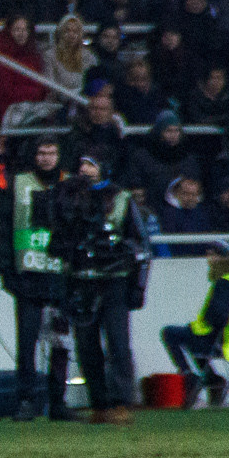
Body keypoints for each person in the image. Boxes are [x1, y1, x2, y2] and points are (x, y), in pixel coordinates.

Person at [53, 152, 151, 424]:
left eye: (91, 164)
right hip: (81, 279)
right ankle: (99, 403)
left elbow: (140, 244)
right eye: (82, 163)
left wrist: (138, 285)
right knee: (86, 345)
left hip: (114, 281)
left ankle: (121, 402)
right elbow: (59, 239)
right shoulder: (67, 197)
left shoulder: (121, 199)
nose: (85, 169)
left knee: (118, 343)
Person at [0, 136, 75, 422]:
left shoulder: (71, 183)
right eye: (41, 152)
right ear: (34, 156)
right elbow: (3, 230)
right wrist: (5, 270)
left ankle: (58, 402)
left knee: (61, 343)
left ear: (59, 156)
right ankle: (27, 400)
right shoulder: (17, 183)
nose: (46, 158)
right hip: (27, 275)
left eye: (52, 153)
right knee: (27, 343)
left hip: (61, 276)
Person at [160, 244, 229, 409]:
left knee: (170, 333)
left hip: (220, 341)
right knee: (193, 338)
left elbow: (215, 316)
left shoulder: (226, 282)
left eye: (213, 255)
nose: (209, 259)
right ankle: (213, 381)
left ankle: (192, 378)